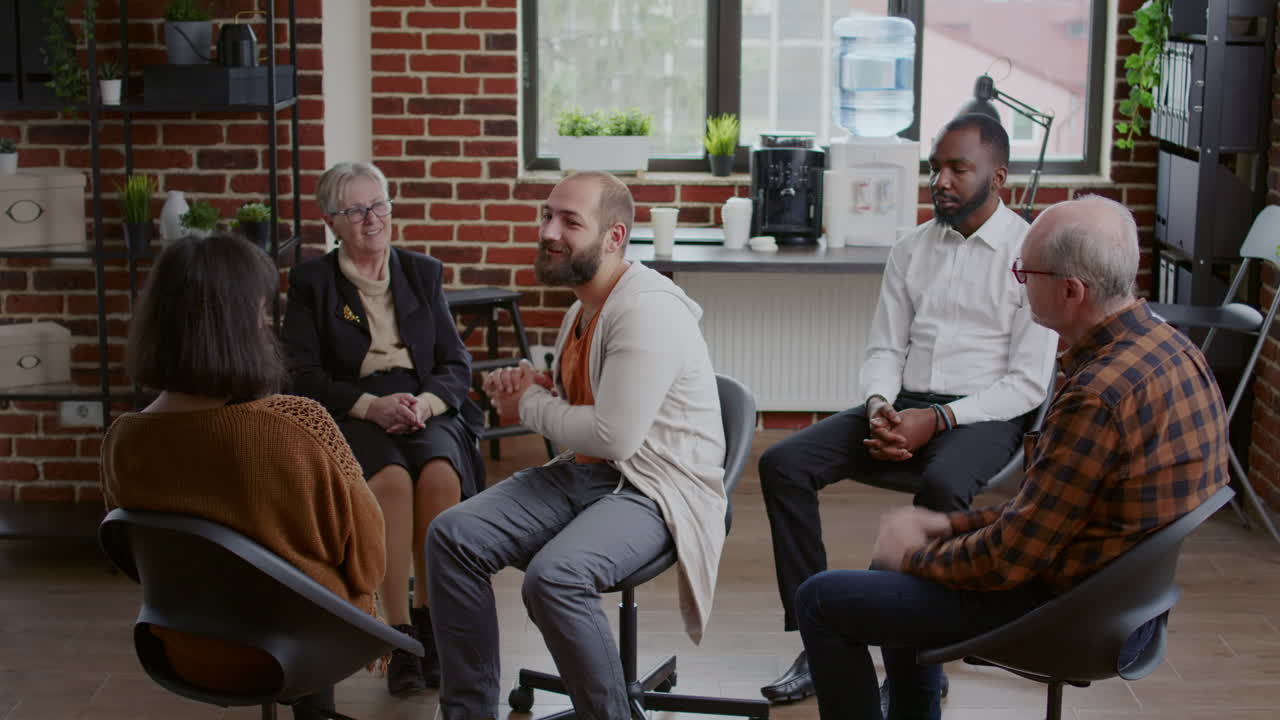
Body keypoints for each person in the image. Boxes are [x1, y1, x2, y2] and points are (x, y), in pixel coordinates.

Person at [794, 195, 1231, 719]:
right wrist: (946, 528)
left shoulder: (1097, 396)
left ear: (1071, 291)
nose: (1017, 281)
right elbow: (1056, 509)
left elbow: (1012, 559)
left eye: (1025, 272)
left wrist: (919, 554)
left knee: (821, 600)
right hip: (1130, 604)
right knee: (890, 567)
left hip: (1070, 614)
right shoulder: (1177, 352)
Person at [758, 113, 1058, 704]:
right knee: (782, 465)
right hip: (904, 404)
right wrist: (879, 409)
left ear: (998, 176)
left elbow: (1027, 385)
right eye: (935, 168)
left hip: (985, 414)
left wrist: (938, 421)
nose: (940, 181)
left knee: (944, 484)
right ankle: (814, 642)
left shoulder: (1032, 254)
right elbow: (885, 348)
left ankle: (920, 650)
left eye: (957, 169)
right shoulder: (911, 248)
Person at [425, 171, 727, 720]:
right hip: (589, 473)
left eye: (570, 221)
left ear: (614, 238)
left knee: (555, 579)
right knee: (453, 535)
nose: (549, 231)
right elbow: (584, 404)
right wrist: (536, 386)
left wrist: (529, 408)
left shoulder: (646, 310)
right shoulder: (581, 308)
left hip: (656, 487)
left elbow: (615, 434)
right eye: (547, 215)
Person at [101, 234, 387, 720]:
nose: (266, 326)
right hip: (296, 646)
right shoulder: (295, 425)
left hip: (182, 647)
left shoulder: (123, 440)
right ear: (236, 326)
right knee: (320, 574)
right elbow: (368, 561)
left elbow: (137, 557)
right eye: (259, 313)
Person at [281, 161, 484, 696]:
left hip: (422, 403)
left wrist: (423, 404)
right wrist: (372, 406)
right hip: (354, 407)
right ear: (331, 221)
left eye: (379, 205)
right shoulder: (311, 283)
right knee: (391, 483)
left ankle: (431, 625)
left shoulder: (422, 272)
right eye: (355, 211)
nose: (372, 220)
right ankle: (395, 636)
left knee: (440, 476)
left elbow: (455, 365)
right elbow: (301, 377)